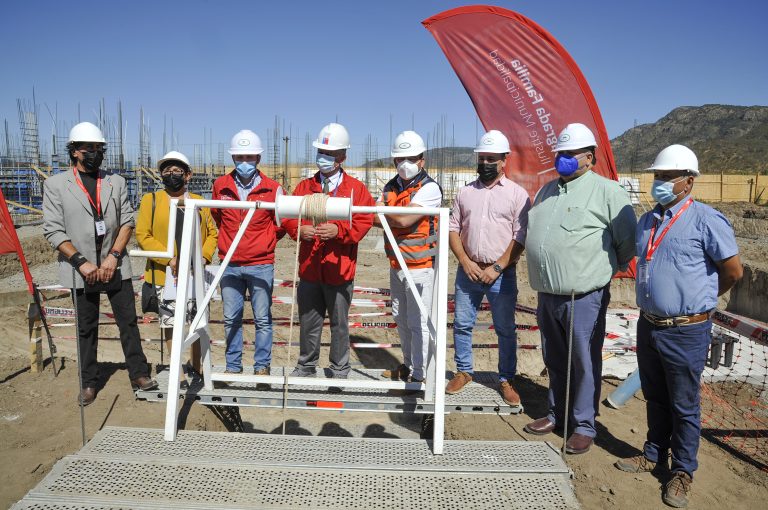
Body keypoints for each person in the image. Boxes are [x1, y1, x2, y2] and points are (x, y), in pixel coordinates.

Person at [614, 145, 742, 508]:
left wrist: (700, 300)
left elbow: (733, 271)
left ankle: (683, 471)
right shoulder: (646, 222)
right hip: (649, 325)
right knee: (655, 396)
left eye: (668, 177)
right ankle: (653, 454)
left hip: (686, 329)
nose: (661, 183)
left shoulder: (707, 220)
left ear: (689, 181)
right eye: (658, 176)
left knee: (684, 404)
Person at [523, 123, 636, 454]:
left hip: (584, 296)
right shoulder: (546, 191)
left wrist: (601, 268)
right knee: (555, 358)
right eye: (560, 153)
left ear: (590, 157)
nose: (563, 158)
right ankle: (556, 413)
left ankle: (584, 424)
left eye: (571, 154)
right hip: (548, 295)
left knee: (584, 361)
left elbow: (626, 241)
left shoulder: (608, 192)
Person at [42, 122, 157, 406]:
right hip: (81, 270)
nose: (94, 153)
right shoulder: (56, 185)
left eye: (98, 149)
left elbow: (127, 221)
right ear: (74, 152)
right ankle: (89, 382)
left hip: (114, 264)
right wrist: (81, 262)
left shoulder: (115, 182)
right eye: (88, 149)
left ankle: (139, 374)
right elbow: (54, 231)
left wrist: (112, 257)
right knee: (86, 326)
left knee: (128, 322)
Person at [286, 123, 374, 389]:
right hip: (310, 268)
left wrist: (339, 230)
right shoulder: (304, 187)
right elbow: (289, 216)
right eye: (321, 151)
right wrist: (300, 231)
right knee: (309, 320)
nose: (323, 156)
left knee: (339, 323)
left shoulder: (355, 190)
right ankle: (306, 365)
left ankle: (339, 368)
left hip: (339, 268)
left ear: (342, 157)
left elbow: (364, 220)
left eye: (330, 152)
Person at [445, 130, 530, 406]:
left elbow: (520, 236)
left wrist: (497, 266)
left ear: (505, 160)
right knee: (462, 324)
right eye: (482, 158)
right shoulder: (465, 193)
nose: (485, 163)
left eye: (491, 158)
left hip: (501, 275)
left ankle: (506, 378)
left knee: (505, 328)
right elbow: (453, 229)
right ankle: (464, 371)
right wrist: (465, 261)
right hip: (468, 271)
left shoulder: (518, 195)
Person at [135, 151, 218, 375]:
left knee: (197, 322)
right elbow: (143, 235)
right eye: (167, 171)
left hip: (195, 274)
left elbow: (212, 233)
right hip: (166, 274)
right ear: (161, 175)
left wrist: (203, 257)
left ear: (188, 175)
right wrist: (168, 258)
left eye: (178, 171)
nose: (172, 175)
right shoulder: (150, 200)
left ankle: (197, 365)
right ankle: (176, 372)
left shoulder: (200, 202)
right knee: (171, 324)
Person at [211, 130, 285, 377]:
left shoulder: (273, 189)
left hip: (261, 264)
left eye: (249, 157)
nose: (244, 162)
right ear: (233, 158)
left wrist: (261, 242)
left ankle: (261, 366)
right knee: (231, 317)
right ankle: (233, 366)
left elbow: (280, 224)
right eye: (239, 157)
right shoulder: (220, 186)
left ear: (258, 158)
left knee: (262, 318)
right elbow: (218, 218)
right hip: (229, 264)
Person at [376, 131, 443, 393]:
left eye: (411, 158)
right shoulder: (390, 187)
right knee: (400, 318)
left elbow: (404, 221)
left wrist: (383, 213)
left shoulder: (429, 189)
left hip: (421, 267)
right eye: (400, 158)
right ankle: (407, 365)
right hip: (397, 265)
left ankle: (420, 375)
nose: (405, 163)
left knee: (418, 323)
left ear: (422, 160)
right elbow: (380, 217)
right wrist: (388, 214)